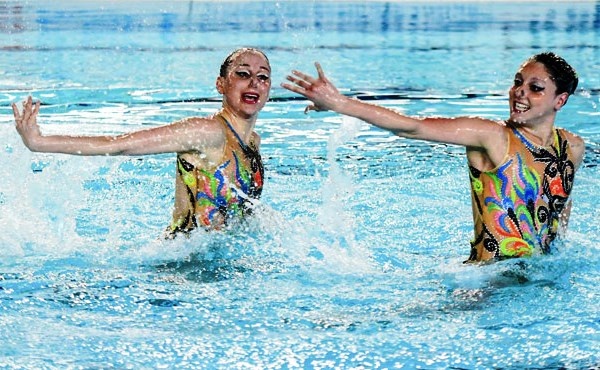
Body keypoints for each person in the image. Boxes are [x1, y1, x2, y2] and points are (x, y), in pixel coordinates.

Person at [282, 52, 585, 263]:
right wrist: (339, 103)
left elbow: (560, 201)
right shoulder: (492, 137)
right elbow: (413, 127)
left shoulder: (572, 147)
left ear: (560, 100)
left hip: (540, 275)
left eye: (535, 88)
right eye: (518, 82)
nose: (519, 92)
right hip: (491, 277)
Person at [13, 47, 271, 236]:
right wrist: (38, 142)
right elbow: (119, 144)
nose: (254, 83)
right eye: (243, 74)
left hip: (219, 259)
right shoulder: (206, 132)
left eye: (263, 77)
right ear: (221, 84)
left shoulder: (252, 143)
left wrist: (315, 105)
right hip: (182, 262)